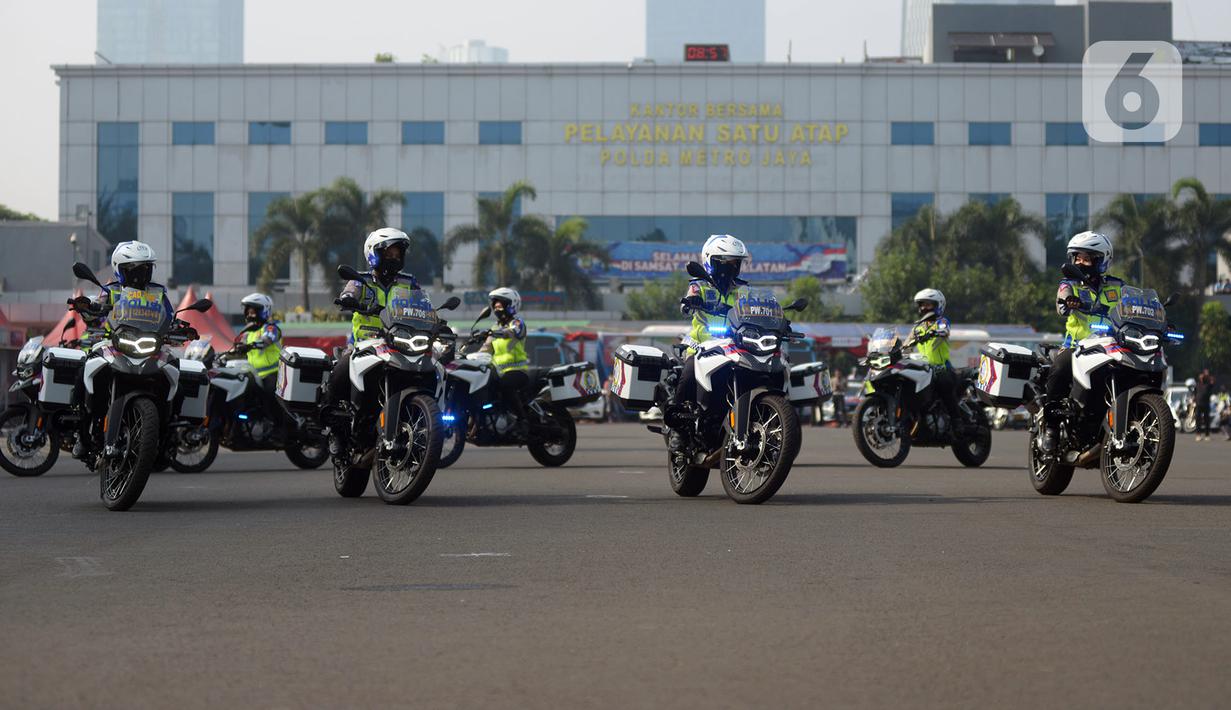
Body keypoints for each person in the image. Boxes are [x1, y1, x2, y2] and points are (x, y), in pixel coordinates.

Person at [71, 241, 176, 458]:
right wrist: (88, 308)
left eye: (145, 268)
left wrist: (180, 327)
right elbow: (95, 310)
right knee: (84, 370)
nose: (140, 274)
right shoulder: (110, 291)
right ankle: (82, 434)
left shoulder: (158, 294)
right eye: (134, 269)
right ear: (120, 269)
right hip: (115, 343)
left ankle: (168, 437)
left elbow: (170, 316)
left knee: (177, 372)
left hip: (149, 347)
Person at [323, 228, 417, 434]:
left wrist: (435, 319)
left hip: (398, 345)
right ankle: (333, 424)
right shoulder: (361, 279)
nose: (393, 258)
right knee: (340, 371)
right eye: (388, 254)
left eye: (397, 254)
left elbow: (422, 305)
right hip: (363, 346)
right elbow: (350, 292)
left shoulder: (408, 283)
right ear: (373, 254)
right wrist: (349, 299)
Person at [1041, 231, 1125, 453]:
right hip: (1076, 347)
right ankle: (1050, 427)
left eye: (1086, 258)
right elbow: (1061, 306)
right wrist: (1069, 302)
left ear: (1101, 260)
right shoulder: (1068, 284)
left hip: (1110, 347)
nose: (1080, 262)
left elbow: (1133, 306)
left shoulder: (1117, 287)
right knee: (1059, 368)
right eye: (1077, 258)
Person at [671, 234, 751, 409]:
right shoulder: (699, 285)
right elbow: (685, 307)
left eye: (735, 262)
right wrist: (692, 302)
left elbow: (755, 309)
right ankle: (676, 422)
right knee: (689, 373)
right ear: (710, 260)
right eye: (725, 262)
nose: (730, 267)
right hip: (701, 346)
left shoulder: (743, 289)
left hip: (733, 347)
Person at [910, 288, 965, 432]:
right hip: (925, 369)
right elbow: (906, 344)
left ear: (938, 305)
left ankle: (957, 420)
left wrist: (935, 333)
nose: (923, 308)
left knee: (944, 383)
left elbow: (944, 330)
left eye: (928, 304)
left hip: (942, 368)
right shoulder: (918, 327)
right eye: (921, 304)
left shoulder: (941, 321)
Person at [232, 292, 283, 425]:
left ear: (263, 311)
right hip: (253, 375)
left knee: (270, 397)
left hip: (273, 374)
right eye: (247, 312)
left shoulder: (271, 328)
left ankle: (282, 426)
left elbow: (267, 339)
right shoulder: (247, 333)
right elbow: (236, 347)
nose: (249, 315)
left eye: (253, 312)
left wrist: (253, 345)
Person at [481, 287, 531, 418]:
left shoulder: (518, 323)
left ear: (510, 305)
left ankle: (522, 419)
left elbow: (514, 331)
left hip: (518, 371)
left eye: (500, 306)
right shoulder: (495, 328)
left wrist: (501, 333)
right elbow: (485, 349)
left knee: (505, 387)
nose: (497, 309)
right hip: (498, 372)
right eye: (495, 306)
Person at [1195, 368, 1215, 441]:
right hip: (1198, 404)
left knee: (1207, 420)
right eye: (1201, 375)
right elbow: (1194, 393)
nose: (1202, 377)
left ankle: (1207, 435)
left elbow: (1212, 383)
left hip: (1206, 404)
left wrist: (1208, 376)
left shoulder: (1208, 384)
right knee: (1198, 420)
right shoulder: (1197, 384)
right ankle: (1198, 435)